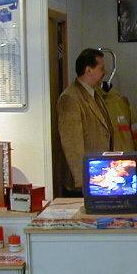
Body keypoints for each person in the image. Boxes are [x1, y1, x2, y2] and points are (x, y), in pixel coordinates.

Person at [57, 48, 113, 196]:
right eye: (101, 68)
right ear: (88, 70)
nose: (105, 72)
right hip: (84, 183)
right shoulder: (70, 98)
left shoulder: (95, 94)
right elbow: (72, 144)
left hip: (99, 177)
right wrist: (83, 181)